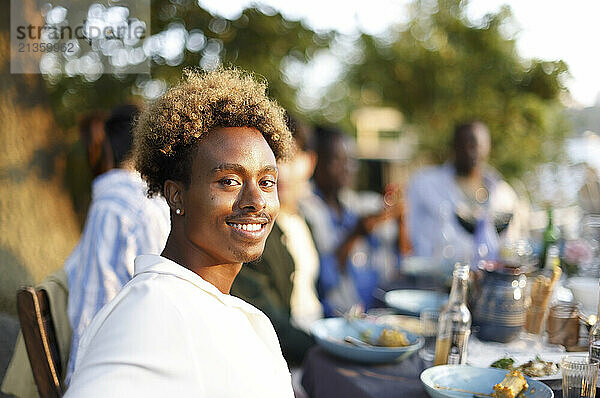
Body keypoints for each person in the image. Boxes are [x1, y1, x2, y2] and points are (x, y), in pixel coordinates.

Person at [64, 69, 295, 397]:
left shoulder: (205, 301)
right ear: (176, 195)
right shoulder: (152, 312)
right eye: (229, 180)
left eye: (266, 182)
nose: (256, 201)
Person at [64, 104, 170, 382]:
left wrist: (77, 380)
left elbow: (92, 308)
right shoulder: (156, 206)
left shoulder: (112, 205)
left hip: (117, 367)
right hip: (131, 368)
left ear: (109, 149)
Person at [230, 116, 321, 365]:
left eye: (289, 157)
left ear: (309, 162)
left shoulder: (306, 221)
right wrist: (326, 349)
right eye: (272, 158)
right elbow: (270, 323)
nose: (280, 170)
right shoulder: (253, 231)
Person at [300, 126, 402, 316]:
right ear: (316, 163)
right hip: (337, 316)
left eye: (351, 160)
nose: (347, 168)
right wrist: (354, 235)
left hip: (372, 309)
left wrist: (399, 216)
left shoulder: (351, 203)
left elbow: (396, 258)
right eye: (337, 160)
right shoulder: (307, 210)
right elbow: (324, 279)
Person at [407, 121, 522, 268]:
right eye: (464, 144)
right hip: (434, 280)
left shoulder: (504, 194)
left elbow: (512, 245)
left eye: (476, 145)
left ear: (488, 147)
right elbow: (407, 230)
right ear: (454, 147)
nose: (470, 151)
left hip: (486, 283)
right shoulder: (425, 184)